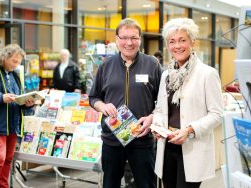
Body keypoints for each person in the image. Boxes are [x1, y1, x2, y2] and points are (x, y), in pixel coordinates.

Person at [89, 18, 162, 188]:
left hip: (142, 139)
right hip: (112, 139)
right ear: (116, 40)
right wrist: (103, 106)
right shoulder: (106, 65)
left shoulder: (152, 64)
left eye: (134, 38)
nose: (129, 43)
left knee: (147, 184)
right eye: (124, 37)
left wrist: (152, 117)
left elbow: (164, 101)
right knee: (110, 184)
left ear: (140, 39)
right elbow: (93, 98)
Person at [152, 18, 223, 188]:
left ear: (192, 42)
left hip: (192, 148)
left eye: (182, 40)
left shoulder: (207, 74)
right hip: (167, 147)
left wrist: (190, 130)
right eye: (172, 41)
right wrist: (157, 126)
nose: (177, 46)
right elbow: (160, 109)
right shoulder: (166, 75)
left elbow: (216, 114)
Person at [0, 44, 35, 188]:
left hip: (12, 124)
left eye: (18, 62)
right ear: (5, 57)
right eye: (14, 61)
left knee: (8, 159)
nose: (16, 65)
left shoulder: (15, 74)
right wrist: (1, 97)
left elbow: (17, 97)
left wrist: (27, 103)